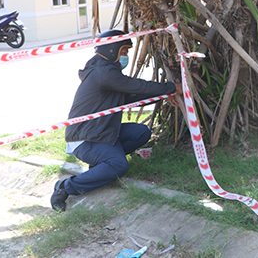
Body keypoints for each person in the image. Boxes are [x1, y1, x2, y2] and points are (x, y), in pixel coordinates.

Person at [51, 29, 182, 211]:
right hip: (85, 137)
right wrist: (172, 87)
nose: (126, 57)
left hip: (101, 131)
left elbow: (130, 97)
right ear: (112, 50)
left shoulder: (104, 71)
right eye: (124, 52)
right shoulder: (104, 73)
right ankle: (65, 187)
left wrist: (165, 94)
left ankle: (100, 165)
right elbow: (137, 86)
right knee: (119, 165)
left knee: (141, 132)